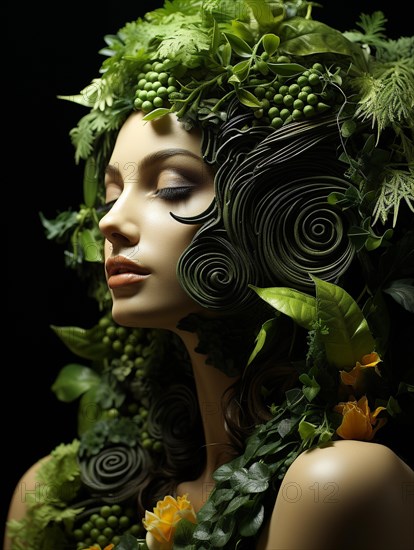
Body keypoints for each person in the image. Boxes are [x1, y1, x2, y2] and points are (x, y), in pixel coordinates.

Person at [4, 1, 414, 549]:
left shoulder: (336, 484)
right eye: (111, 193)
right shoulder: (64, 496)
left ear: (282, 211)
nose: (110, 220)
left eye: (172, 186)